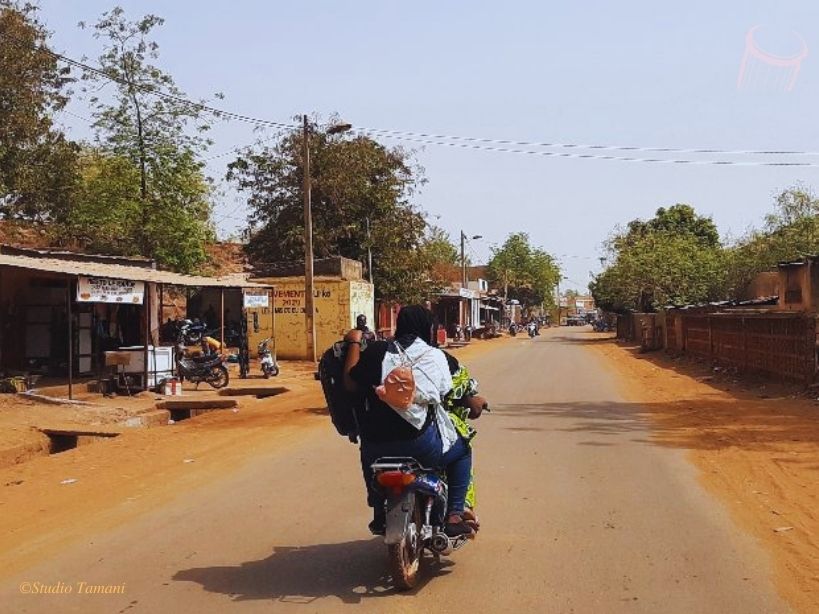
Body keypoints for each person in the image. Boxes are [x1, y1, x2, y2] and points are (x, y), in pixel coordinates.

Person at [343, 305, 475, 538]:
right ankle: (454, 514)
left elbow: (350, 384)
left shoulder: (376, 351)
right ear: (429, 328)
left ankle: (378, 509)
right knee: (462, 451)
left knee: (367, 453)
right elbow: (446, 391)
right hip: (421, 446)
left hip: (376, 446)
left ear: (399, 325)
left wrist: (354, 342)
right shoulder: (436, 356)